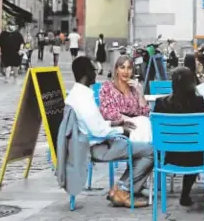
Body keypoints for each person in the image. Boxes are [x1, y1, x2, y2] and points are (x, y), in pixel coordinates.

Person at [65, 56, 153, 208]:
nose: (96, 72)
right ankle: (122, 189)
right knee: (150, 151)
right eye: (93, 70)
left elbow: (96, 124)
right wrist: (121, 129)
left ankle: (124, 189)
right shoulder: (85, 99)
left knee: (141, 144)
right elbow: (98, 131)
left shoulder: (77, 94)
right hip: (95, 148)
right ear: (86, 74)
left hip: (93, 142)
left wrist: (115, 123)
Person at [153, 67, 204, 210]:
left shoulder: (161, 103)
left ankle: (185, 194)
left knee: (193, 149)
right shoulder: (198, 102)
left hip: (171, 157)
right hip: (197, 157)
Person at [100, 55, 150, 121]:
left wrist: (141, 94)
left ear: (132, 71)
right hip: (117, 126)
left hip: (135, 125)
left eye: (129, 68)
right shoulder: (108, 87)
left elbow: (145, 113)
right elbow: (108, 112)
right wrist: (131, 121)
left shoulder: (134, 88)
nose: (126, 71)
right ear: (117, 70)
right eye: (122, 67)